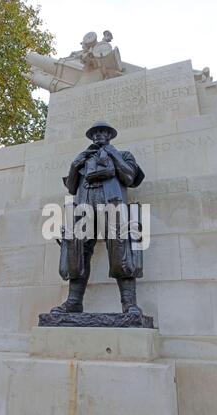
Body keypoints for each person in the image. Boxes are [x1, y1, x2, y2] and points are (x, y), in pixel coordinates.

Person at [51, 121, 145, 315]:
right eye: (95, 133)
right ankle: (74, 301)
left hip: (113, 204)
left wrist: (112, 153)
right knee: (77, 254)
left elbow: (128, 178)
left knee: (122, 251)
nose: (98, 136)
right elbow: (71, 187)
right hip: (84, 208)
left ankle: (129, 304)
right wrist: (75, 164)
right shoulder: (84, 159)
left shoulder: (124, 155)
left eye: (103, 132)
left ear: (110, 135)